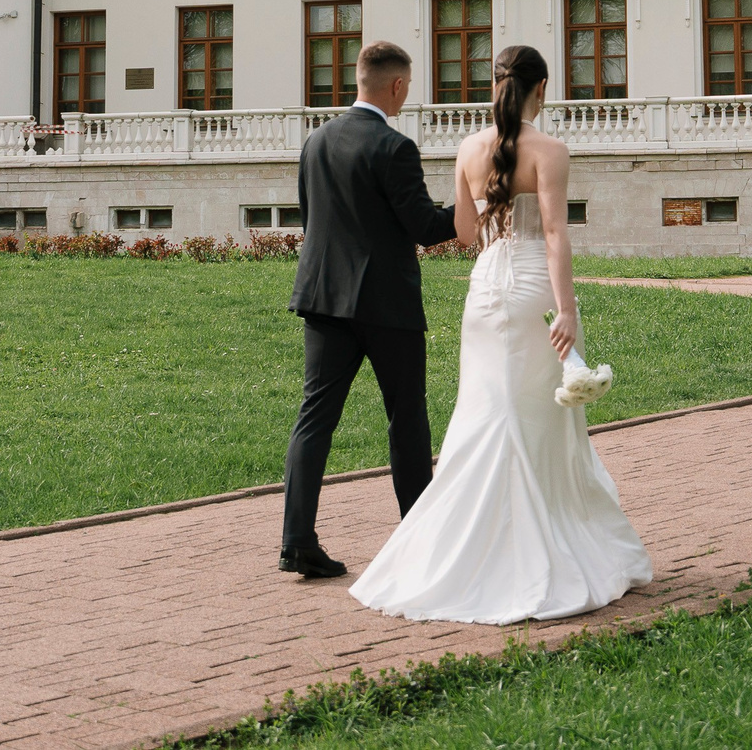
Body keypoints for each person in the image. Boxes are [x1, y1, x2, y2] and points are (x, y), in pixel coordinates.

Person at [349, 44, 652, 624]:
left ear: (495, 86)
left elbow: (465, 234)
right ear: (542, 89)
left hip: (486, 292)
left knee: (483, 414)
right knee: (536, 418)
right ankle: (536, 551)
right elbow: (556, 234)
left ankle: (456, 552)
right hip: (534, 288)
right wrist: (566, 310)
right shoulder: (551, 151)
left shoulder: (468, 149)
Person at [279, 39, 462, 579]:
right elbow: (426, 228)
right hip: (386, 305)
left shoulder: (316, 141)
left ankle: (296, 542)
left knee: (314, 419)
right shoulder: (395, 146)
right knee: (406, 418)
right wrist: (476, 201)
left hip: (322, 298)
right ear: (397, 85)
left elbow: (312, 219)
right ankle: (419, 538)